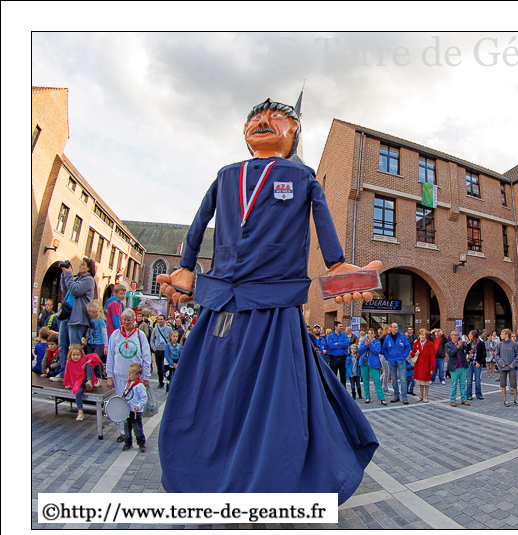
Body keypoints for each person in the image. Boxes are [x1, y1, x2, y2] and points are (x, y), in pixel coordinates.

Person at [155, 97, 378, 500]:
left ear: (294, 134)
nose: (263, 121)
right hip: (222, 301)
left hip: (274, 304)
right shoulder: (226, 175)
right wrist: (187, 266)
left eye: (278, 118)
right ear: (244, 133)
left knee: (277, 398)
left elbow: (322, 220)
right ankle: (205, 473)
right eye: (255, 118)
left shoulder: (302, 176)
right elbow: (200, 220)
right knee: (210, 389)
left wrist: (336, 264)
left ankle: (272, 484)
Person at [106, 308, 151, 442]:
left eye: (129, 320)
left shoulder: (139, 335)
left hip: (136, 379)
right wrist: (109, 375)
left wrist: (146, 376)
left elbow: (146, 356)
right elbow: (110, 356)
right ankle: (123, 432)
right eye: (124, 320)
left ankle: (137, 432)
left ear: (134, 320)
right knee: (122, 404)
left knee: (134, 405)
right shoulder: (115, 335)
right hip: (120, 376)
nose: (126, 323)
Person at [59, 258, 96, 372]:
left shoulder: (89, 280)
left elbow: (75, 290)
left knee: (75, 348)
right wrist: (64, 275)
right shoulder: (78, 278)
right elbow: (65, 288)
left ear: (89, 268)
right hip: (67, 316)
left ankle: (77, 374)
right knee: (62, 345)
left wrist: (68, 275)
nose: (80, 266)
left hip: (77, 318)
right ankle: (63, 372)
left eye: (83, 265)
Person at [62, 344, 100, 421]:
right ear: (70, 355)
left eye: (77, 355)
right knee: (78, 392)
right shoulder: (69, 362)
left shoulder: (84, 358)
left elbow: (95, 356)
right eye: (74, 355)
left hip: (86, 379)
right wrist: (68, 383)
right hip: (78, 382)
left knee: (88, 364)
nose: (76, 357)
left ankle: (89, 382)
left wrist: (90, 360)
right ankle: (80, 411)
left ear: (81, 354)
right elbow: (67, 373)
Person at [121, 363, 148, 453]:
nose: (129, 375)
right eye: (129, 372)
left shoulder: (140, 386)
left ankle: (141, 444)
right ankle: (128, 443)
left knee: (137, 428)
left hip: (135, 411)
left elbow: (144, 398)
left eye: (132, 373)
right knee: (127, 428)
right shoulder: (128, 383)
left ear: (138, 375)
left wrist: (138, 406)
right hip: (127, 410)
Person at [382, 323, 411, 404]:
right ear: (391, 328)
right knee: (394, 380)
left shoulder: (402, 336)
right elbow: (384, 349)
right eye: (394, 327)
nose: (396, 329)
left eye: (397, 327)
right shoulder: (387, 338)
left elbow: (408, 346)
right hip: (391, 360)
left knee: (403, 380)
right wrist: (387, 357)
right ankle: (396, 396)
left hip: (400, 360)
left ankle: (404, 397)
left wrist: (404, 356)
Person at [358, 330, 386, 405]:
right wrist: (365, 345)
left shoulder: (377, 342)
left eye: (372, 333)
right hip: (364, 363)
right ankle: (367, 397)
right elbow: (359, 351)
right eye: (369, 333)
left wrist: (370, 344)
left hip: (373, 363)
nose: (370, 335)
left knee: (377, 381)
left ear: (374, 335)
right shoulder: (364, 342)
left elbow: (376, 351)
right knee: (365, 382)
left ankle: (381, 398)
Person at [495, 329, 518, 406]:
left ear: (507, 335)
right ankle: (505, 400)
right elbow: (496, 355)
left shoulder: (514, 344)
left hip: (511, 367)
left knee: (513, 383)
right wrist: (501, 363)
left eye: (502, 334)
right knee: (503, 383)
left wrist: (513, 363)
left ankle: (515, 399)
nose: (501, 335)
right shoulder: (500, 344)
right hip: (503, 367)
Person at [409, 328, 435, 403]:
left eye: (424, 335)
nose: (422, 336)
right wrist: (415, 354)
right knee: (420, 382)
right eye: (421, 335)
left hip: (427, 365)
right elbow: (412, 353)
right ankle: (420, 395)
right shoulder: (416, 343)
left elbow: (432, 356)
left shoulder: (430, 344)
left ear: (426, 336)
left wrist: (432, 368)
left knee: (426, 382)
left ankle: (426, 396)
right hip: (419, 365)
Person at [445, 330, 470, 406]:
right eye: (455, 335)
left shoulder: (461, 343)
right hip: (454, 367)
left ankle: (464, 399)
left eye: (457, 335)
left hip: (462, 367)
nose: (456, 337)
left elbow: (468, 350)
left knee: (463, 384)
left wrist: (467, 343)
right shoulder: (448, 344)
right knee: (454, 385)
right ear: (451, 336)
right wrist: (458, 346)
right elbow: (451, 353)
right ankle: (453, 400)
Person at [149, 314, 173, 389]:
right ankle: (160, 382)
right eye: (158, 319)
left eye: (161, 319)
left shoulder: (169, 329)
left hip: (165, 350)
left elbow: (172, 338)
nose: (160, 321)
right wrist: (154, 348)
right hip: (158, 350)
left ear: (164, 320)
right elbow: (152, 340)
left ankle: (168, 381)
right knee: (159, 367)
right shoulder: (155, 329)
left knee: (166, 367)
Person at [327, 321, 350, 389]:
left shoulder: (344, 336)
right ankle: (333, 390)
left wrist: (337, 344)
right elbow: (331, 346)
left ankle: (343, 390)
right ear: (336, 327)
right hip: (334, 358)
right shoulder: (330, 336)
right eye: (340, 326)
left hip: (343, 358)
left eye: (341, 326)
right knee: (333, 375)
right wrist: (341, 345)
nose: (341, 327)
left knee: (343, 376)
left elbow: (346, 344)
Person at [465, 330, 486, 400]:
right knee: (469, 380)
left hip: (477, 363)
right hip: (470, 364)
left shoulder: (481, 343)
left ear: (473, 335)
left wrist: (480, 363)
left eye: (470, 335)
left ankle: (479, 394)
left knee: (477, 380)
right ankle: (468, 395)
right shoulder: (469, 343)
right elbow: (467, 352)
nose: (469, 336)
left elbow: (484, 354)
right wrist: (467, 355)